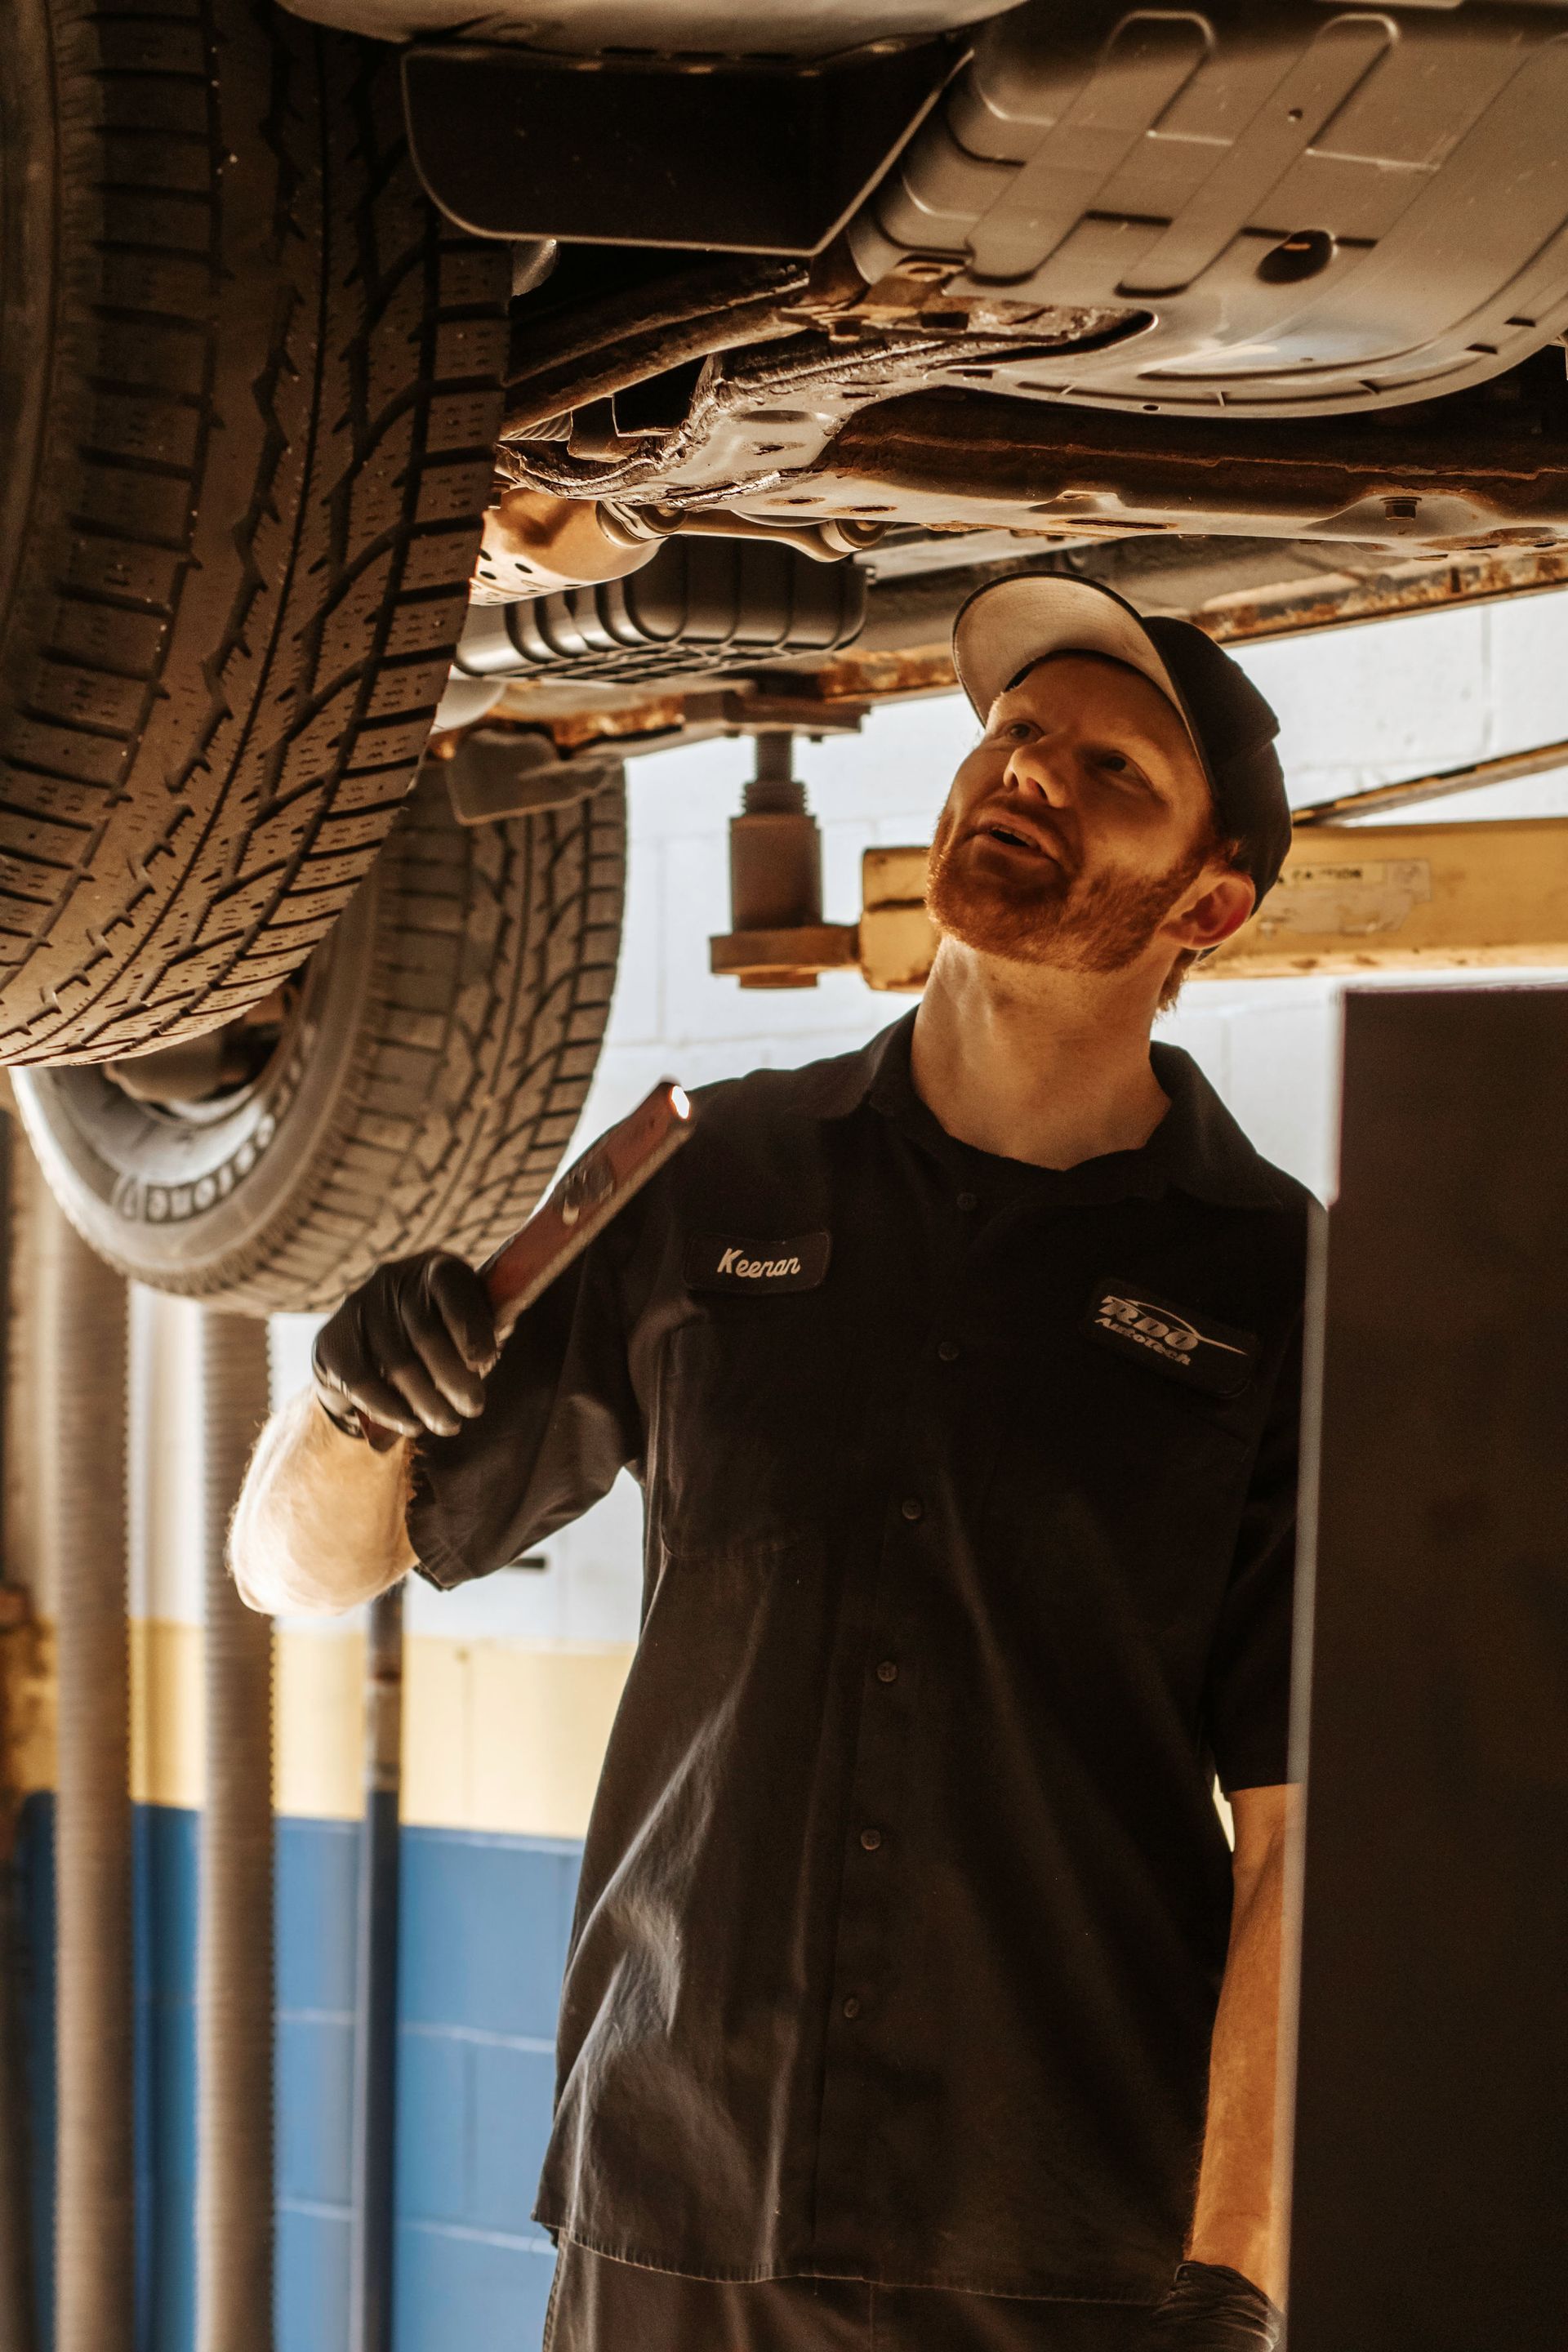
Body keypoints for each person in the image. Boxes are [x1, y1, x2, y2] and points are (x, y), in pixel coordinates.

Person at [233, 575, 1308, 2352]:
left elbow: (1296, 1849)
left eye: (1112, 769)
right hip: (674, 2202)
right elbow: (301, 1567)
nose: (1031, 773)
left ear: (1212, 902)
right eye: (1015, 734)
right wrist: (352, 1398)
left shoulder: (1279, 1289)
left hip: (1060, 2258)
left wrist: (1239, 2277)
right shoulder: (711, 1177)